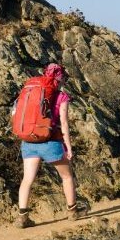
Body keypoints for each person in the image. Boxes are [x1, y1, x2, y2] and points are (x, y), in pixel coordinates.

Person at [15, 63, 86, 227]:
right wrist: (68, 147)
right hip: (51, 143)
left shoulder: (31, 92)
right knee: (67, 176)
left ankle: (22, 218)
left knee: (27, 179)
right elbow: (64, 123)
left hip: (29, 141)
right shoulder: (62, 97)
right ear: (60, 79)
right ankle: (72, 212)